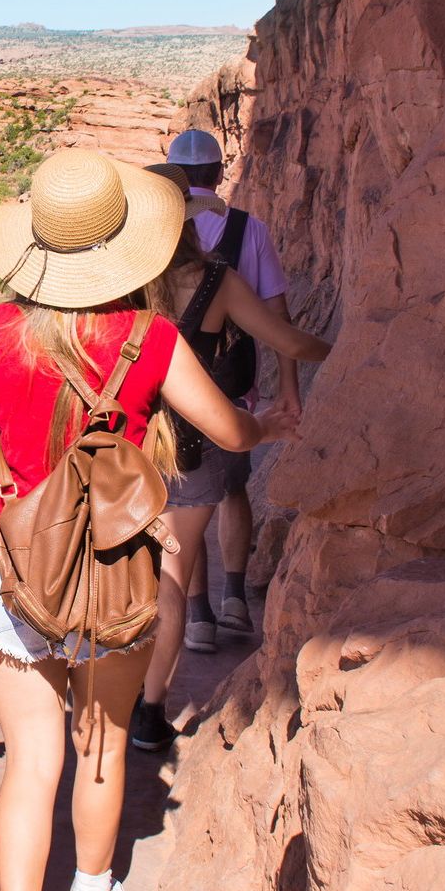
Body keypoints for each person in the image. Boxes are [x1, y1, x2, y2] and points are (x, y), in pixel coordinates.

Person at [0, 149, 297, 891]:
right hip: (115, 565)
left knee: (31, 756)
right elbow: (228, 434)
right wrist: (270, 423)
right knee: (101, 738)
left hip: (9, 560)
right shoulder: (151, 336)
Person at [128, 183, 330, 752]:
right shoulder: (215, 281)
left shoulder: (120, 281)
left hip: (125, 440)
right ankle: (148, 712)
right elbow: (284, 338)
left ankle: (104, 688)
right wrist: (343, 351)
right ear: (191, 223)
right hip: (191, 440)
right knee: (173, 570)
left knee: (121, 566)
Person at [162, 128, 302, 646]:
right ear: (219, 173)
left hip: (171, 386)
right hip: (233, 380)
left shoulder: (161, 230)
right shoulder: (249, 230)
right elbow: (277, 311)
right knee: (231, 487)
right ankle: (235, 598)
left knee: (183, 500)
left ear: (174, 176)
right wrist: (289, 387)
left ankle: (196, 613)